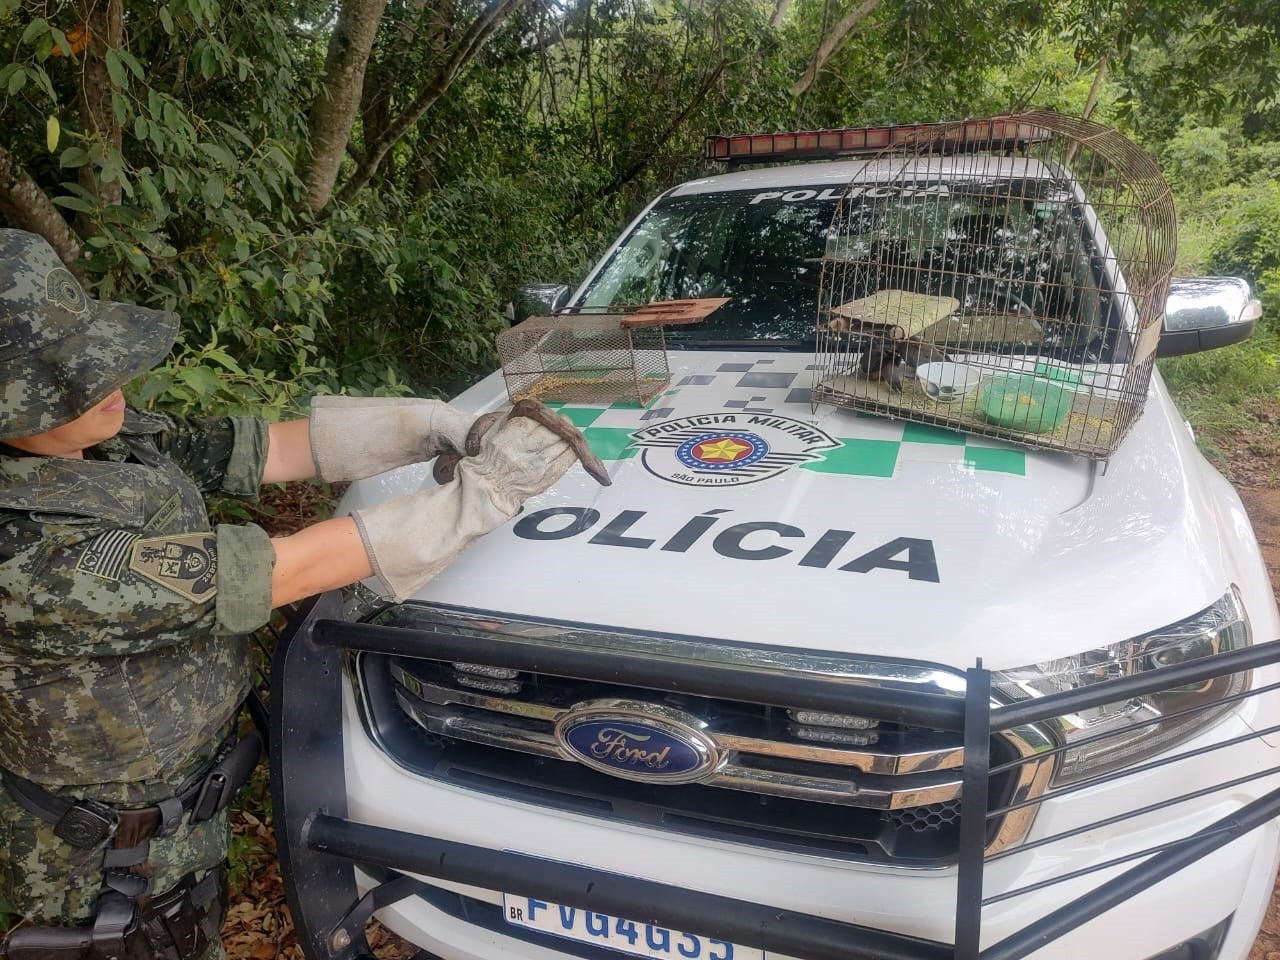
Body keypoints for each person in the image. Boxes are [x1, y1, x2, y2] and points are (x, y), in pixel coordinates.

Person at [0, 228, 605, 960]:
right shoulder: (28, 555)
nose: (107, 383)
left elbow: (267, 449)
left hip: (180, 815)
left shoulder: (104, 440)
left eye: (96, 359)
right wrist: (483, 495)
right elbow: (283, 569)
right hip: (98, 860)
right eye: (68, 382)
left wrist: (429, 424)